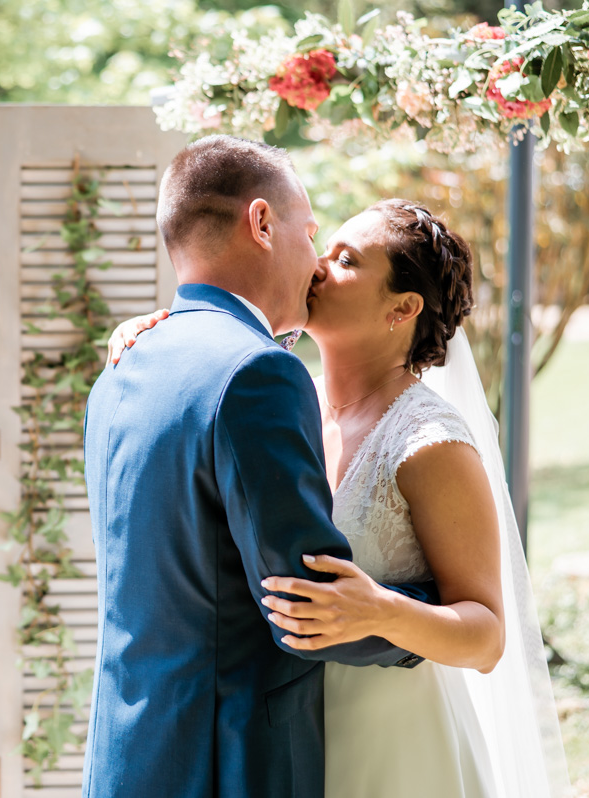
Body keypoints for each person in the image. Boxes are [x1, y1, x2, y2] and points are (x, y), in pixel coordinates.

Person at [108, 200, 571, 796]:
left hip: (390, 743)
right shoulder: (281, 397)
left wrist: (379, 609)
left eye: (348, 261)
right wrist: (160, 336)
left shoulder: (431, 442)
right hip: (279, 737)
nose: (319, 266)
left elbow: (485, 638)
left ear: (402, 309)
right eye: (326, 249)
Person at [81, 136, 439, 798]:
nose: (317, 265)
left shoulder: (126, 363)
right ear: (262, 223)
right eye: (310, 233)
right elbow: (305, 610)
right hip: (229, 761)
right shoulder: (257, 373)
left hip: (126, 755)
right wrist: (431, 620)